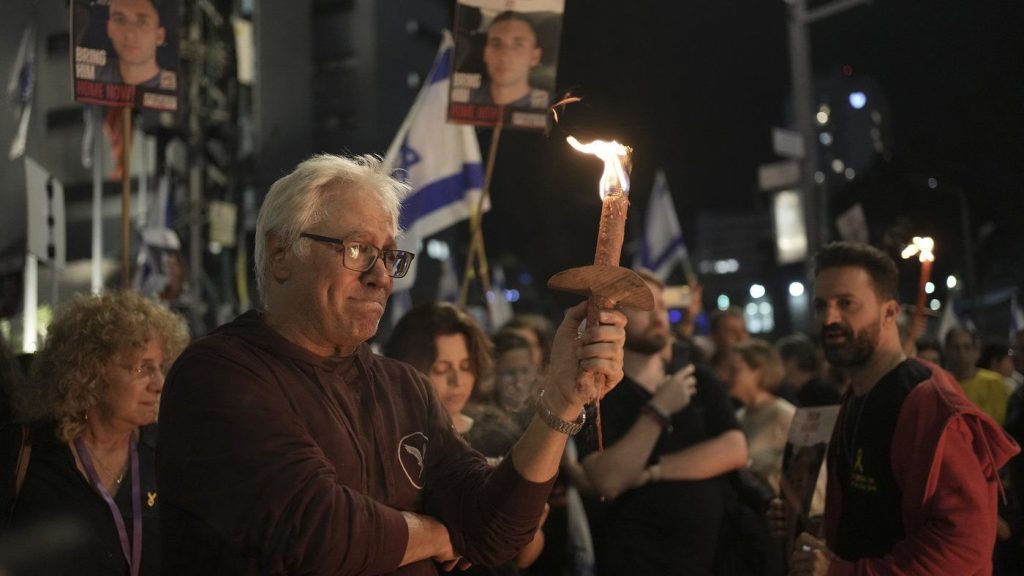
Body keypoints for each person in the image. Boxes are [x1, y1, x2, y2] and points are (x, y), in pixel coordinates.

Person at [156, 154, 627, 575]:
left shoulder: (403, 387)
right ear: (281, 254)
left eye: (389, 256)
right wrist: (440, 534)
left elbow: (496, 531)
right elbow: (321, 532)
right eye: (358, 250)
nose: (381, 276)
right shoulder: (219, 375)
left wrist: (564, 401)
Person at [787, 242, 1019, 576]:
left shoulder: (927, 401)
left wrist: (842, 572)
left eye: (846, 303)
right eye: (820, 305)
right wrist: (809, 523)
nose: (829, 318)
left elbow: (964, 545)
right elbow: (879, 514)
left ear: (890, 312)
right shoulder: (856, 395)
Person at [1, 291, 188, 576]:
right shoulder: (24, 449)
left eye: (160, 368)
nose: (159, 384)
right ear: (90, 370)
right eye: (143, 368)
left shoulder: (167, 456)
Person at [579, 269, 748, 576]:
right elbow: (607, 479)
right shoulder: (594, 394)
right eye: (646, 307)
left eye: (663, 308)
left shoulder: (695, 374)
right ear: (614, 317)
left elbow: (735, 448)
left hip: (715, 559)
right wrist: (658, 410)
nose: (660, 317)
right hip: (639, 562)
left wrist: (650, 471)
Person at [384, 303, 545, 575]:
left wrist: (528, 523)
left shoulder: (500, 434)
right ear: (408, 368)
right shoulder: (397, 441)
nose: (457, 380)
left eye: (466, 366)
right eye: (441, 368)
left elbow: (525, 557)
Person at [727, 339, 795, 496]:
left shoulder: (784, 415)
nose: (728, 377)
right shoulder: (739, 416)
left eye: (735, 370)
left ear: (758, 372)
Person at [467, 12, 550, 108]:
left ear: (534, 57)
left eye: (519, 45)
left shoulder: (550, 109)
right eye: (496, 44)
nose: (504, 57)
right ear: (486, 53)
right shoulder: (464, 97)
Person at [95, 0, 169, 88]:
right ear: (109, 28)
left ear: (159, 36)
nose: (129, 34)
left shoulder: (174, 88)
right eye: (120, 20)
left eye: (142, 23)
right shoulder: (92, 73)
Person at [945, 326, 1010, 425]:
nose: (961, 353)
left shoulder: (993, 382)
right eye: (955, 347)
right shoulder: (942, 383)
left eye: (967, 347)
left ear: (977, 352)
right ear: (947, 351)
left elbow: (996, 424)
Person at [775, 333, 840, 407]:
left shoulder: (822, 393)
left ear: (792, 361)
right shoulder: (788, 393)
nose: (775, 367)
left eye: (778, 361)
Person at [709, 306, 750, 382]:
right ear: (715, 337)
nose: (740, 337)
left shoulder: (757, 371)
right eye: (731, 332)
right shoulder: (706, 374)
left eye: (743, 330)